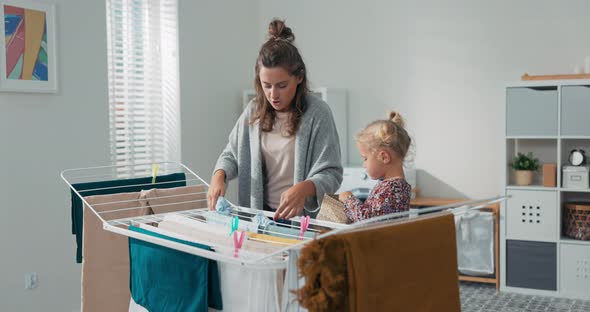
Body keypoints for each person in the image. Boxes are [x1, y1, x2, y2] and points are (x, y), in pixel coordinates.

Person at [207, 19, 343, 220]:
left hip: (300, 220)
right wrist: (219, 175)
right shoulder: (253, 110)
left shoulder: (318, 113)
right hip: (258, 215)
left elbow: (332, 173)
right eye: (266, 85)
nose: (273, 95)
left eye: (281, 85)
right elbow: (231, 155)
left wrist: (304, 189)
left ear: (299, 78)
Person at [338, 111, 412, 222]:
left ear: (384, 157)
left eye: (365, 158)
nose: (364, 165)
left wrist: (349, 199)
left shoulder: (391, 189)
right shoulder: (396, 186)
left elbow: (367, 221)